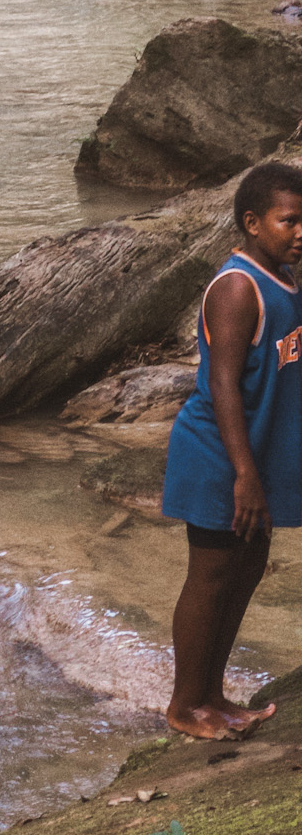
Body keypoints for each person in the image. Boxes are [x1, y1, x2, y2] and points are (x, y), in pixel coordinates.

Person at [161, 157, 302, 739]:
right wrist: (245, 475)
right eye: (288, 221)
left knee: (246, 571)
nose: (299, 232)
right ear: (251, 222)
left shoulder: (289, 279)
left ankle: (212, 695)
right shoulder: (239, 287)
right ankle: (183, 705)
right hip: (220, 457)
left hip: (257, 455)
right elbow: (221, 384)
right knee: (212, 575)